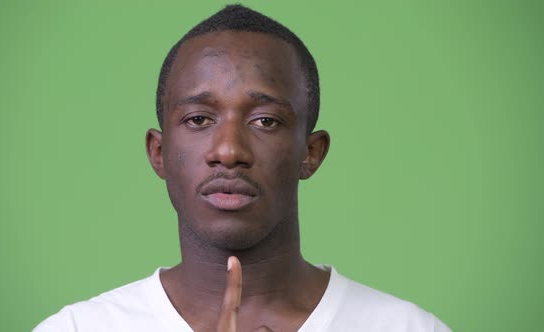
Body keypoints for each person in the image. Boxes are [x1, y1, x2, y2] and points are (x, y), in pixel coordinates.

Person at [34, 4, 451, 332]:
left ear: (311, 152)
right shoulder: (76, 328)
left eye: (265, 121)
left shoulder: (409, 328)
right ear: (158, 152)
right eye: (198, 119)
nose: (229, 150)